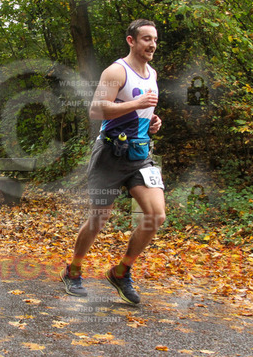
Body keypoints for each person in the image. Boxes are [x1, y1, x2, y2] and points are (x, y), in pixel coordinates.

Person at [61, 19, 165, 305]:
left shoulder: (152, 74)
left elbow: (141, 113)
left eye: (155, 39)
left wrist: (153, 121)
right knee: (99, 218)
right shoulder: (116, 71)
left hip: (139, 155)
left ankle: (121, 272)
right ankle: (73, 270)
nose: (152, 44)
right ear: (131, 41)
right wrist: (136, 105)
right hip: (109, 153)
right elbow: (97, 110)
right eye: (146, 39)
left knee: (156, 215)